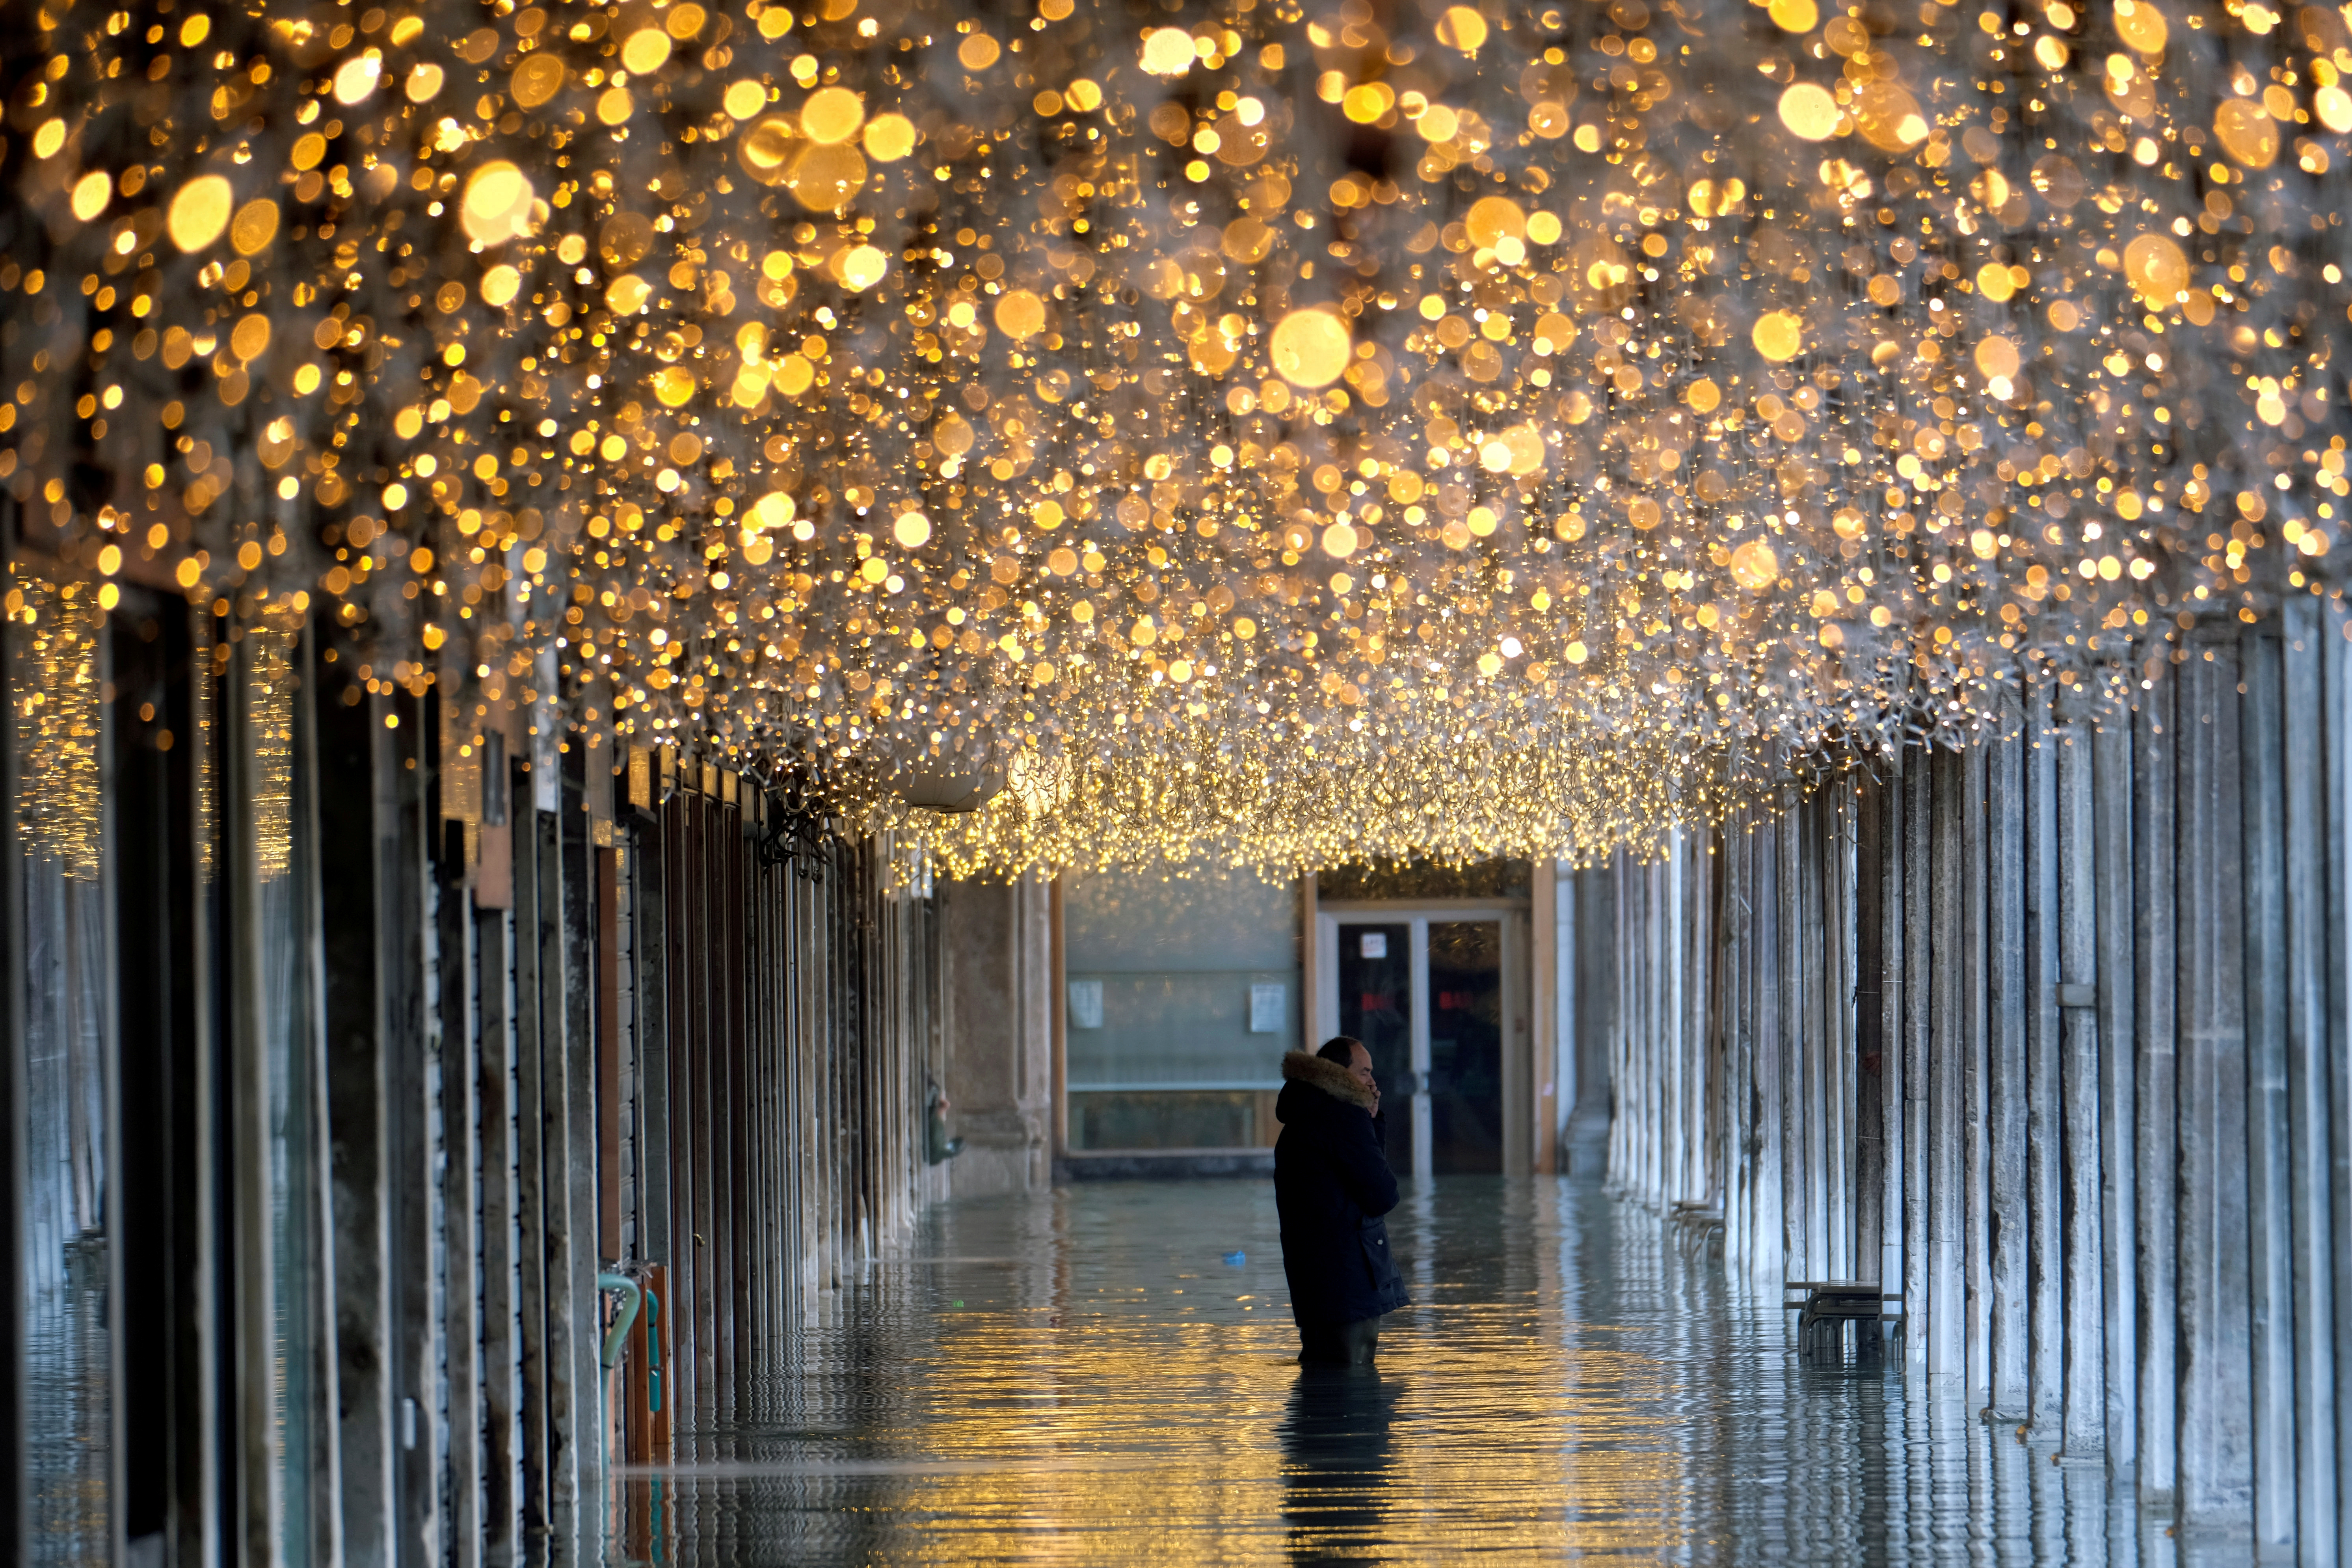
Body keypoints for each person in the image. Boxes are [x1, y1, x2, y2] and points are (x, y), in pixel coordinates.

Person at [1273, 1035, 1409, 1366]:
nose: (1372, 1081)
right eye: (1363, 1072)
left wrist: (1372, 1120)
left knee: (1319, 1367)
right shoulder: (1343, 1115)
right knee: (1353, 1380)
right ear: (1339, 1075)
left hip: (1311, 1274)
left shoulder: (1301, 1112)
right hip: (1351, 1274)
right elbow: (1381, 1194)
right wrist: (1368, 1122)